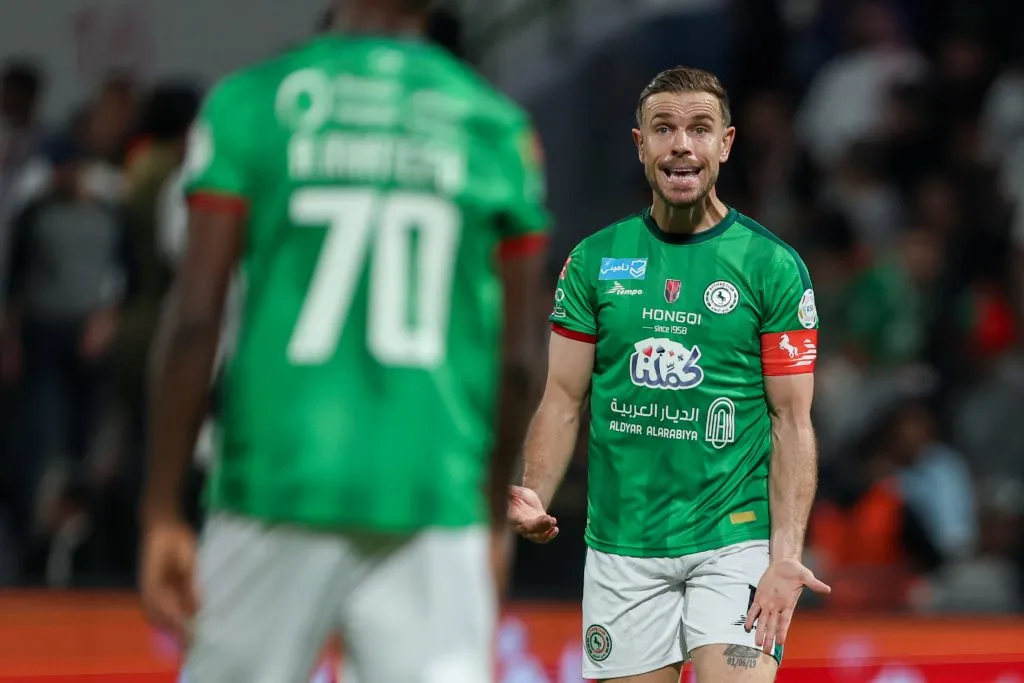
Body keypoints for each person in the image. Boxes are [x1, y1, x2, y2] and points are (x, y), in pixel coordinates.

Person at [138, 0, 549, 680]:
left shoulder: (251, 104)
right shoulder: (497, 128)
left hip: (274, 480)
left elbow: (193, 320)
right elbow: (519, 356)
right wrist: (490, 515)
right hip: (431, 488)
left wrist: (160, 509)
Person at [508, 66, 831, 683]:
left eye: (699, 129)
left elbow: (791, 420)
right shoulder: (594, 261)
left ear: (726, 144)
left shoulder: (772, 266)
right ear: (640, 145)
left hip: (734, 544)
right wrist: (535, 495)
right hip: (623, 548)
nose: (681, 144)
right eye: (664, 129)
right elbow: (562, 399)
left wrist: (785, 556)